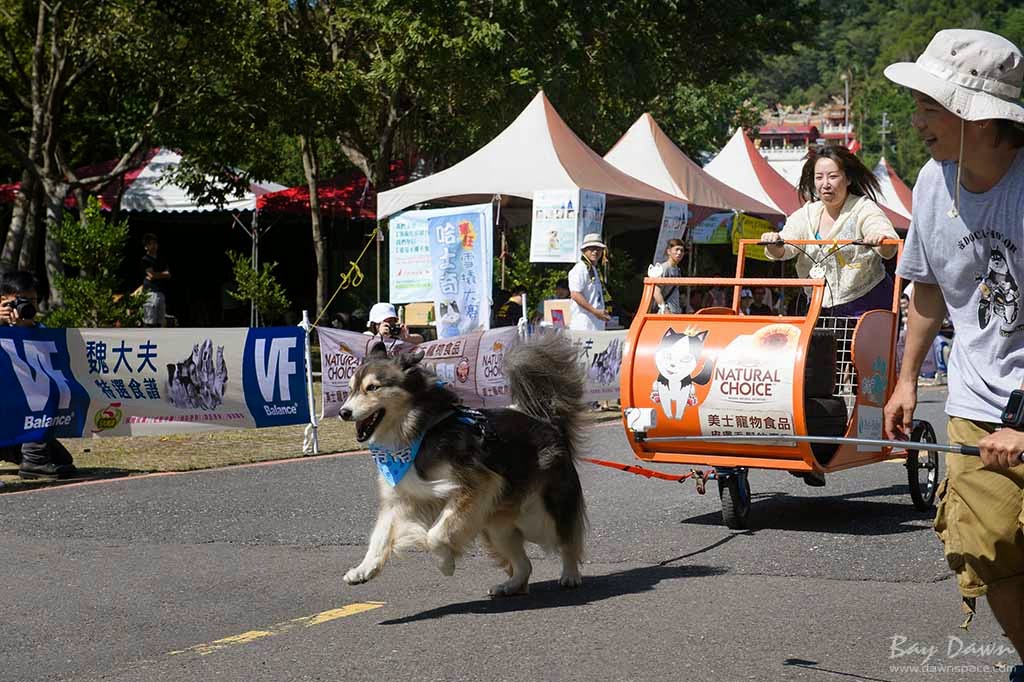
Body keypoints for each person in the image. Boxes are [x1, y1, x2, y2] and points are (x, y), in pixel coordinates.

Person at [881, 29, 1024, 680]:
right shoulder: (933, 186)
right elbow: (930, 287)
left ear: (983, 117)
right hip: (974, 399)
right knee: (985, 550)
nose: (918, 121)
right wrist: (906, 379)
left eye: (930, 107)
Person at [761, 145, 899, 317]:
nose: (825, 184)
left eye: (833, 177)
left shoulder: (863, 208)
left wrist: (879, 238)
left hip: (867, 304)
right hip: (819, 306)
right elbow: (786, 245)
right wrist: (774, 242)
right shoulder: (806, 214)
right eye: (819, 177)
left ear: (848, 179)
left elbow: (887, 243)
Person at [0, 270, 77, 480]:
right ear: (4, 301)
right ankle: (32, 460)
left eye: (33, 301)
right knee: (39, 393)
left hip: (23, 413)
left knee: (63, 460)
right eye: (21, 301)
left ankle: (12, 449)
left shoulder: (40, 332)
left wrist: (27, 329)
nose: (28, 307)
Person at [568, 233, 612, 331]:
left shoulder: (594, 269)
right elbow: (575, 294)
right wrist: (595, 312)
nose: (595, 251)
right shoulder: (580, 269)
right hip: (584, 326)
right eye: (591, 248)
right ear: (584, 250)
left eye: (598, 248)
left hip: (595, 325)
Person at [141, 233, 170, 328]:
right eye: (150, 244)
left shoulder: (162, 259)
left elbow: (168, 274)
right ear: (146, 247)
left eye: (155, 243)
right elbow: (151, 275)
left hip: (161, 292)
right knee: (149, 320)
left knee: (161, 321)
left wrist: (159, 275)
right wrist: (162, 275)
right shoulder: (145, 260)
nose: (153, 246)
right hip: (150, 292)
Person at [652, 239, 685, 313]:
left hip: (675, 311)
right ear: (669, 251)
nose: (679, 253)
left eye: (681, 250)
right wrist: (664, 309)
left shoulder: (677, 269)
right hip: (665, 313)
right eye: (677, 250)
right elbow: (656, 291)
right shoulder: (663, 268)